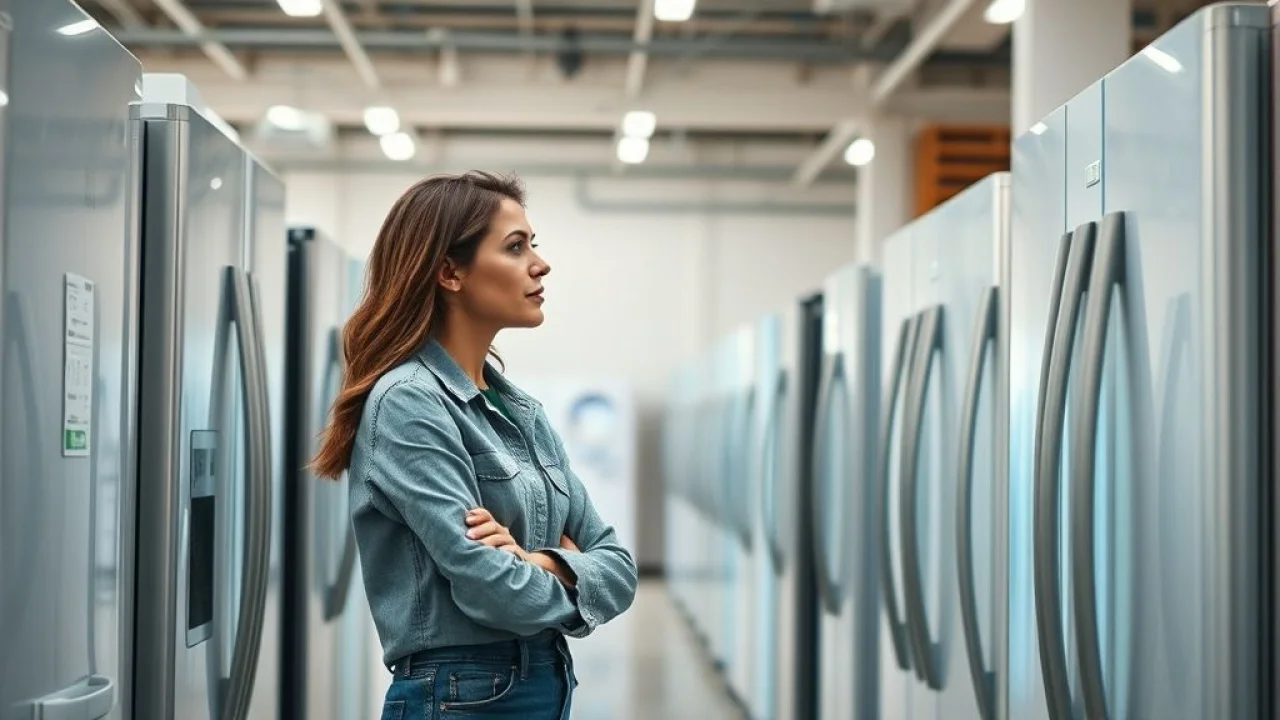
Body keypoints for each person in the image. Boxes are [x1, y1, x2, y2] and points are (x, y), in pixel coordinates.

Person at [311, 171, 639, 719]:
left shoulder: (520, 410)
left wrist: (535, 561)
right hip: (461, 696)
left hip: (540, 682)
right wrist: (573, 568)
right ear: (450, 272)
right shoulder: (408, 402)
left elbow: (621, 569)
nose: (540, 264)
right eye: (516, 247)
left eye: (533, 244)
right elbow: (495, 591)